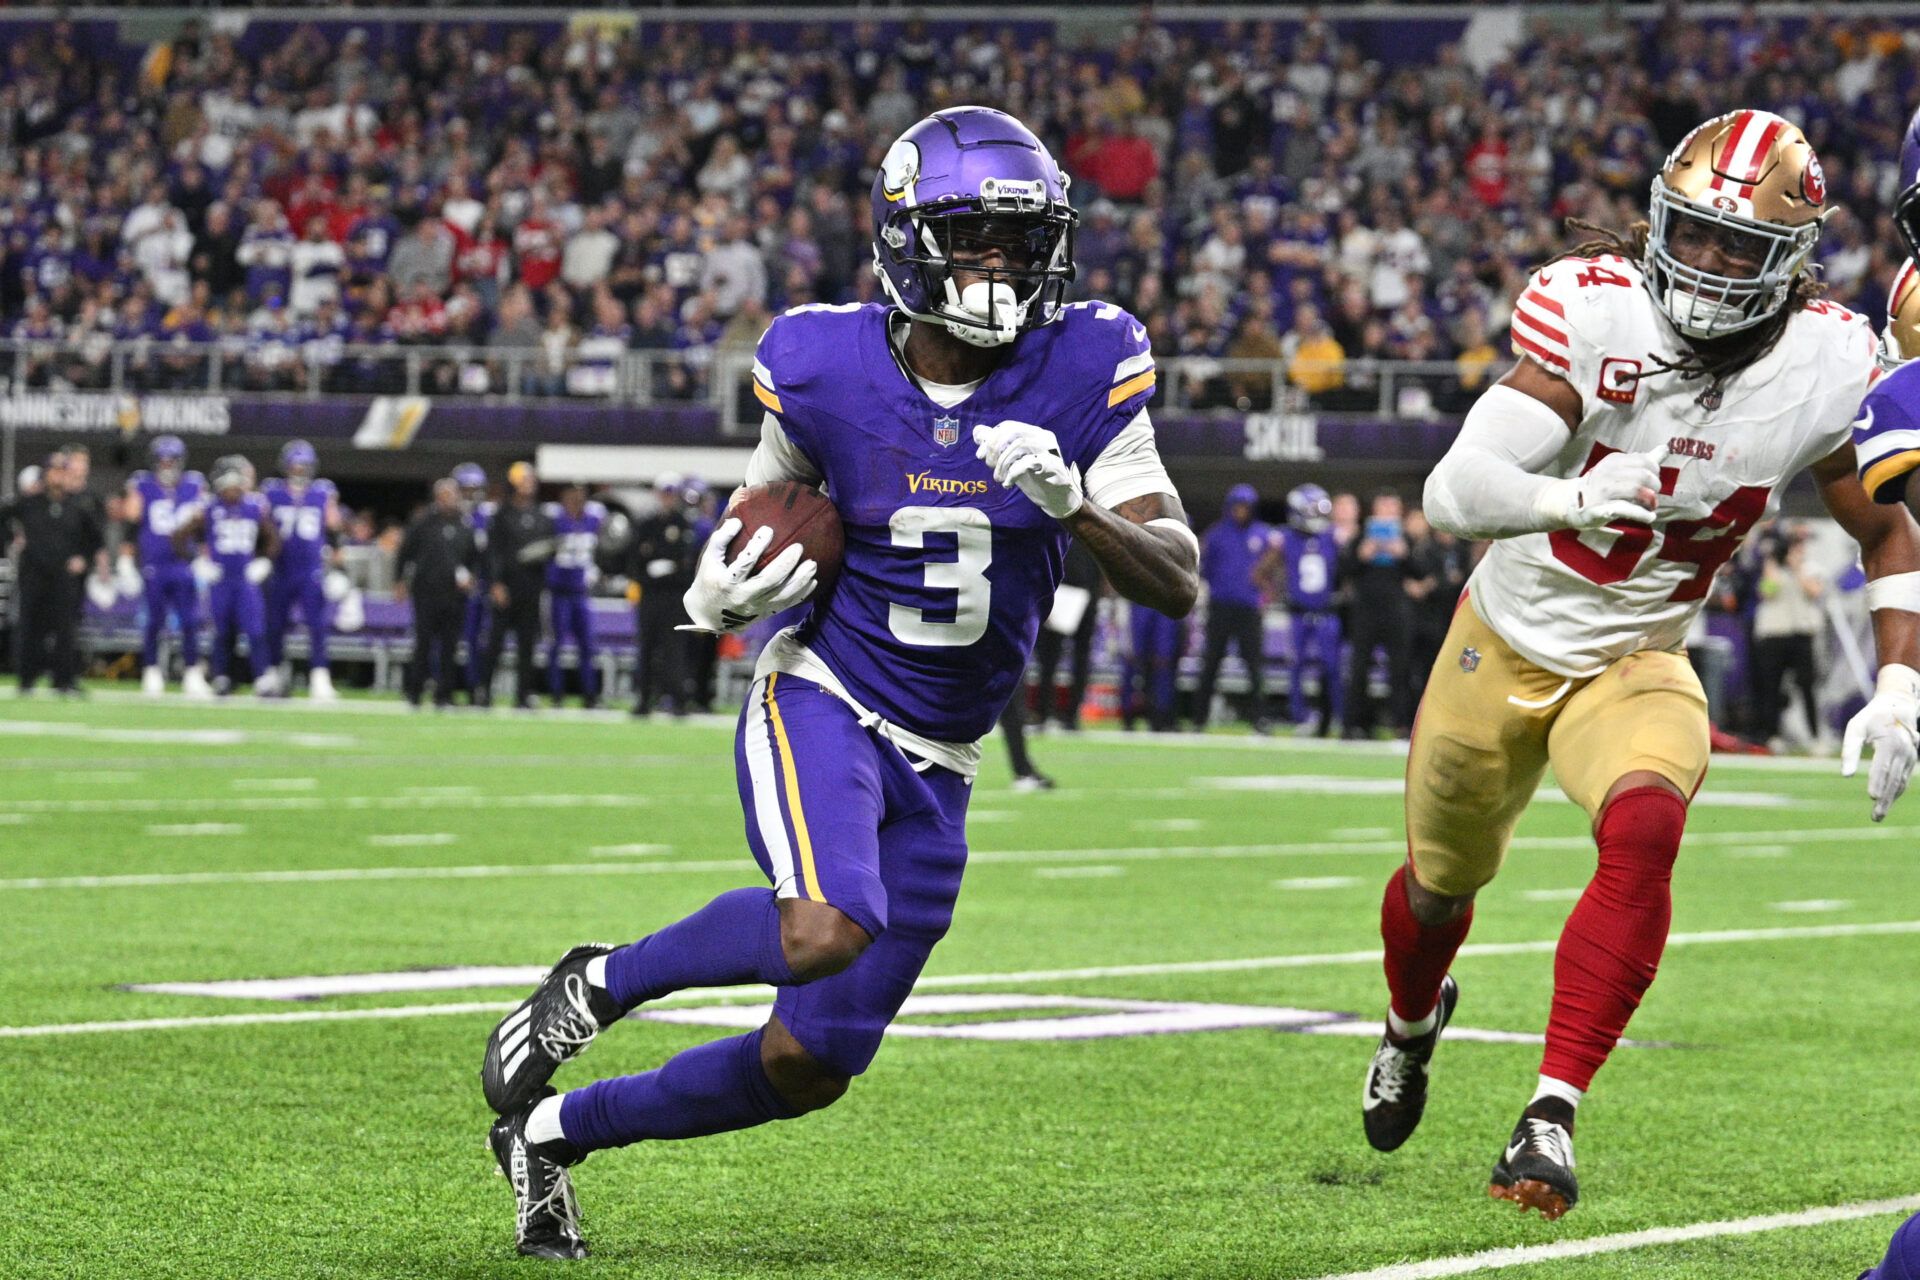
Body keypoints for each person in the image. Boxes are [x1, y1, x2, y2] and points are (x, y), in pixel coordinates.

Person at [478, 106, 1198, 1260]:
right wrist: (724, 582)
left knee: (805, 1065)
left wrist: (1078, 505)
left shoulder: (1091, 359)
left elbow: (1177, 578)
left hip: (947, 755)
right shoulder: (820, 360)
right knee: (821, 925)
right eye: (973, 239)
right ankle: (599, 981)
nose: (1003, 268)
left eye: (1021, 242)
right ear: (910, 238)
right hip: (827, 689)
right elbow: (763, 504)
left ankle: (553, 1133)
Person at [1362, 111, 1920, 1221]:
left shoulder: (1832, 360)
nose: (1709, 265)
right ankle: (1411, 1023)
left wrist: (1902, 682)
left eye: (1739, 246)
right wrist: (1564, 495)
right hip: (1501, 641)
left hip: (1637, 656)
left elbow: (1888, 525)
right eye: (1694, 234)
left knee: (1649, 821)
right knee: (1437, 890)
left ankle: (1551, 1108)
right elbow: (1451, 488)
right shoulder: (1595, 308)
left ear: (1791, 262)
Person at [175, 457, 281, 697]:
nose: (233, 490)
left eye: (237, 485)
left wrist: (264, 561)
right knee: (221, 632)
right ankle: (221, 676)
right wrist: (197, 561)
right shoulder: (209, 509)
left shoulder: (254, 506)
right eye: (228, 485)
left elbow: (273, 539)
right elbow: (179, 537)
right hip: (221, 579)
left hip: (245, 579)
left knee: (255, 630)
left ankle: (262, 678)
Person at [0, 451, 104, 695]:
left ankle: (64, 680)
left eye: (62, 471)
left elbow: (94, 539)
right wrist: (11, 542)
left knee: (65, 629)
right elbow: (3, 517)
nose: (57, 477)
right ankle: (27, 679)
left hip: (63, 576)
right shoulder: (29, 503)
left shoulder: (78, 505)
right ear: (45, 474)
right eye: (53, 471)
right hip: (33, 573)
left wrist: (84, 559)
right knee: (29, 627)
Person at [123, 435, 211, 696]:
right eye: (162, 459)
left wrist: (205, 556)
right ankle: (151, 670)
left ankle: (192, 672)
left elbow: (203, 525)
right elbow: (131, 517)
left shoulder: (194, 485)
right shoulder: (143, 484)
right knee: (154, 621)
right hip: (155, 565)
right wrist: (127, 559)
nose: (167, 464)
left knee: (190, 621)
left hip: (184, 564)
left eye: (171, 459)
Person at [1194, 484, 1281, 730]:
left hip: (1249, 609)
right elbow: (1206, 570)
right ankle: (1199, 718)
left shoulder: (1263, 535)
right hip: (1221, 606)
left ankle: (1259, 719)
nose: (1241, 511)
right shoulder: (1217, 534)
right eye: (1237, 506)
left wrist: (1264, 592)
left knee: (1254, 665)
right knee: (1210, 662)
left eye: (1245, 507)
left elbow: (1274, 571)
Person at [261, 440, 341, 700]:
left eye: (302, 466)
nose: (298, 470)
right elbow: (260, 526)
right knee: (275, 625)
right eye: (294, 466)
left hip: (310, 570)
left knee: (316, 626)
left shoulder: (322, 492)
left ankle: (319, 676)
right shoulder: (271, 491)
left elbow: (334, 525)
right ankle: (274, 674)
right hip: (281, 568)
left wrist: (335, 557)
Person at [397, 478, 478, 708]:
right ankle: (414, 692)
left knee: (450, 647)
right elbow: (405, 552)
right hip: (426, 592)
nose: (450, 499)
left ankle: (444, 694)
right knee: (423, 644)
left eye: (452, 495)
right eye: (445, 495)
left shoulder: (465, 524)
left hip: (454, 595)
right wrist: (400, 580)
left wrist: (471, 578)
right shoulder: (423, 522)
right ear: (437, 497)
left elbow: (474, 558)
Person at [1341, 489, 1416, 737]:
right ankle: (1356, 725)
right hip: (1366, 611)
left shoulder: (1406, 537)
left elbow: (1418, 572)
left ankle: (1400, 725)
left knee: (1400, 669)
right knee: (1359, 668)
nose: (1387, 513)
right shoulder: (1361, 535)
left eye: (1392, 508)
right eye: (1383, 508)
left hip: (1396, 611)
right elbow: (1345, 570)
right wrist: (1362, 555)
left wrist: (1404, 554)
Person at [626, 474, 701, 716]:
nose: (667, 498)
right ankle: (644, 699)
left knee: (674, 649)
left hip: (674, 597)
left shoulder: (683, 525)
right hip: (650, 596)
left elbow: (687, 565)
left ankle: (677, 700)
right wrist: (654, 572)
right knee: (646, 648)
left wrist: (665, 569)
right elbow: (636, 561)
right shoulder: (647, 524)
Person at [483, 462, 555, 711]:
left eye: (530, 479)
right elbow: (492, 553)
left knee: (527, 644)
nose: (529, 484)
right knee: (495, 642)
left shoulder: (542, 516)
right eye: (524, 479)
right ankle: (484, 691)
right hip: (507, 587)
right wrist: (495, 583)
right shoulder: (502, 515)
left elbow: (550, 549)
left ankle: (524, 693)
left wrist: (545, 553)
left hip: (531, 587)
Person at [1749, 526, 1825, 747]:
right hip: (1775, 634)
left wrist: (1797, 567)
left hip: (1802, 633)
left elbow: (1814, 592)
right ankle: (1773, 735)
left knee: (1807, 686)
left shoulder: (1811, 568)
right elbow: (1767, 592)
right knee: (1771, 686)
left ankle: (1815, 736)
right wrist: (1771, 563)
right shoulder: (1772, 568)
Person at [1281, 483, 1344, 734]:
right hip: (1298, 613)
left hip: (1326, 612)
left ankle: (1337, 717)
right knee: (1296, 667)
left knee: (1332, 668)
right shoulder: (1285, 538)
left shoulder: (1332, 537)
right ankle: (1299, 717)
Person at [544, 483, 607, 708]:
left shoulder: (594, 519)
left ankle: (589, 694)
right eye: (572, 496)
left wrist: (598, 571)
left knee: (587, 645)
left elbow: (604, 550)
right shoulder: (553, 519)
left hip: (581, 592)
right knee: (556, 645)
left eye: (580, 496)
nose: (576, 500)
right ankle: (556, 693)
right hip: (558, 591)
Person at [1403, 508, 1471, 710]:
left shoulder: (1462, 551)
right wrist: (1439, 583)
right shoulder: (1427, 549)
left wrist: (1436, 583)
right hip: (1427, 621)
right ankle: (1416, 715)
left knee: (1453, 671)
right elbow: (1422, 581)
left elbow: (1460, 580)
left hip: (1454, 620)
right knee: (1422, 670)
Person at [1031, 540, 1101, 730]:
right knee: (1056, 657)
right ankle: (1056, 714)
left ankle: (1057, 714)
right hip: (1071, 590)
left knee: (1057, 657)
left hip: (1071, 590)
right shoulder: (1094, 520)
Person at [452, 463, 494, 703]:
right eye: (466, 489)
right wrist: (459, 574)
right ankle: (442, 684)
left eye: (474, 489)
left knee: (478, 640)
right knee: (447, 640)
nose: (470, 494)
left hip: (480, 586)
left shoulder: (488, 516)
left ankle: (475, 686)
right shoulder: (450, 515)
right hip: (451, 586)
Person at [1122, 601, 1185, 731]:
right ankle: (1129, 716)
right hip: (1139, 597)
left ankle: (1162, 716)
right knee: (1133, 658)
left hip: (1165, 599)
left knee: (1163, 660)